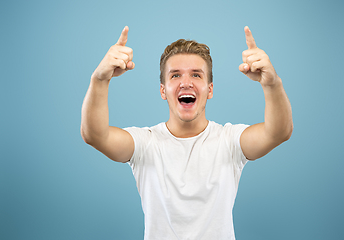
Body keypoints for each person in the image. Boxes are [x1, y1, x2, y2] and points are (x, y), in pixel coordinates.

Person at [81, 26, 293, 240]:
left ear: (209, 89)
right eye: (175, 75)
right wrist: (99, 79)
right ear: (163, 90)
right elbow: (95, 135)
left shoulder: (229, 141)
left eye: (196, 75)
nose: (186, 82)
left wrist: (272, 84)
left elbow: (279, 132)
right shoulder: (145, 143)